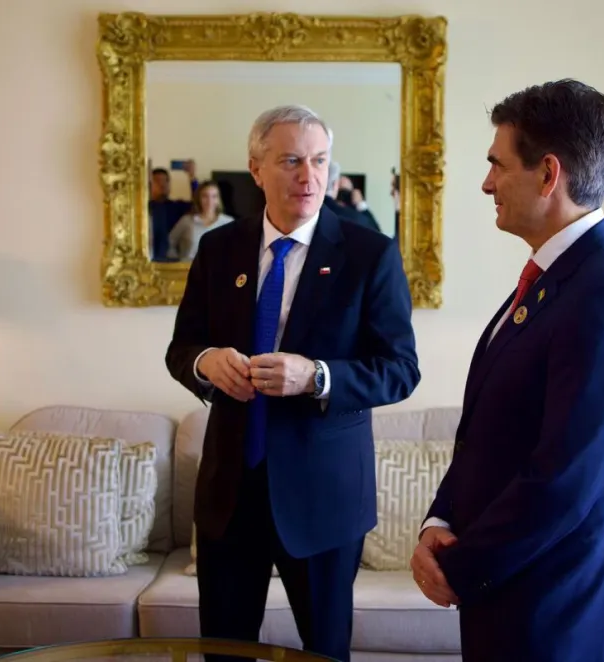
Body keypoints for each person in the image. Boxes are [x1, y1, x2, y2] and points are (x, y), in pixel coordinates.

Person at [410, 79, 604, 662]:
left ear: (548, 175)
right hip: (513, 593)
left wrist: (459, 567)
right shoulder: (555, 277)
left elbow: (563, 481)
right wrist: (440, 518)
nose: (485, 183)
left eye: (496, 165)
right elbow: (485, 434)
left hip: (560, 614)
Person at [166, 104, 420, 662]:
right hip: (231, 493)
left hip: (323, 499)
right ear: (256, 169)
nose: (308, 176)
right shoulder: (218, 249)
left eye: (319, 161)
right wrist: (207, 363)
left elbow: (401, 369)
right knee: (223, 652)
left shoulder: (369, 254)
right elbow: (181, 349)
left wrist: (318, 376)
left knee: (325, 652)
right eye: (290, 161)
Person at [167, 180, 234, 261]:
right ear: (198, 198)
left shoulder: (228, 222)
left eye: (214, 196)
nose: (210, 201)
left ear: (218, 199)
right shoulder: (186, 220)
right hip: (187, 270)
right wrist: (176, 261)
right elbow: (169, 242)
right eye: (205, 196)